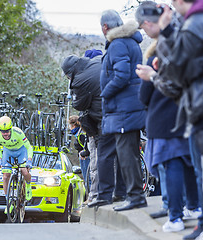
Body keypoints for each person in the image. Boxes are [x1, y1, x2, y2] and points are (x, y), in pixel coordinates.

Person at [137, 0, 203, 238]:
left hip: (200, 112)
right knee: (199, 173)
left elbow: (179, 74)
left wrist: (154, 76)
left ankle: (199, 225)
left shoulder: (194, 25)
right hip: (199, 111)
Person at [96, 10, 147, 211]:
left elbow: (122, 74)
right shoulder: (131, 42)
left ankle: (135, 197)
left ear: (105, 27)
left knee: (126, 154)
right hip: (130, 107)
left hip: (123, 109)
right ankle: (133, 195)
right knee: (130, 153)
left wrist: (105, 93)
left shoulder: (117, 44)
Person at [61, 51, 103, 205]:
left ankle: (95, 195)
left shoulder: (81, 80)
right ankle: (100, 193)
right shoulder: (98, 64)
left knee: (97, 162)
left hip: (97, 124)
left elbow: (79, 104)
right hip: (104, 121)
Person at [0, 116, 33, 214]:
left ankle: (27, 185)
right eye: (3, 131)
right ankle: (8, 202)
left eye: (7, 131)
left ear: (11, 129)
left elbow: (28, 147)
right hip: (8, 151)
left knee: (24, 170)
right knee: (5, 175)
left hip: (21, 151)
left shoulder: (18, 132)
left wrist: (29, 160)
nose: (5, 134)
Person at [68, 116, 90, 184]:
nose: (69, 128)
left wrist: (83, 153)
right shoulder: (79, 132)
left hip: (86, 158)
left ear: (73, 125)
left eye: (70, 126)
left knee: (87, 179)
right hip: (84, 157)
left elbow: (87, 148)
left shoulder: (81, 134)